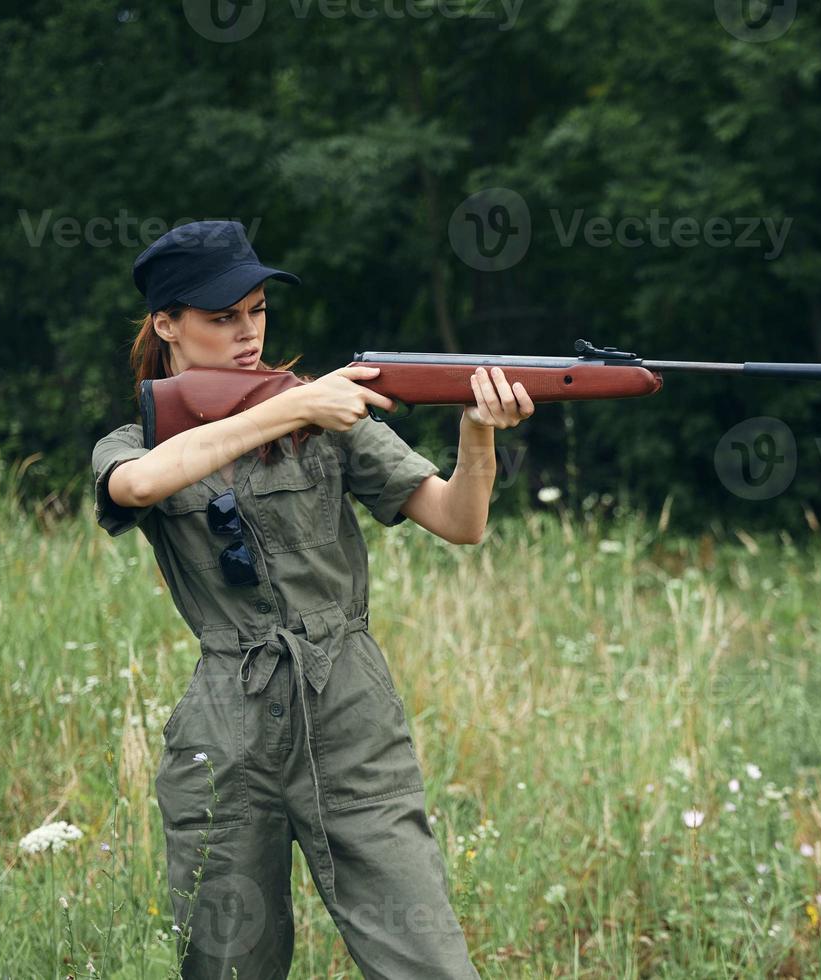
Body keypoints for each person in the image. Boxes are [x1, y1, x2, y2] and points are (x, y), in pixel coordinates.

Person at [90, 220, 534, 978]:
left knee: (428, 962)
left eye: (257, 310)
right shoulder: (140, 439)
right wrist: (292, 408)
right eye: (222, 316)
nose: (247, 333)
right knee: (229, 965)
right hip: (226, 726)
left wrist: (478, 431)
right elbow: (136, 485)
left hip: (350, 712)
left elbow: (461, 522)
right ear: (165, 324)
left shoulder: (329, 413)